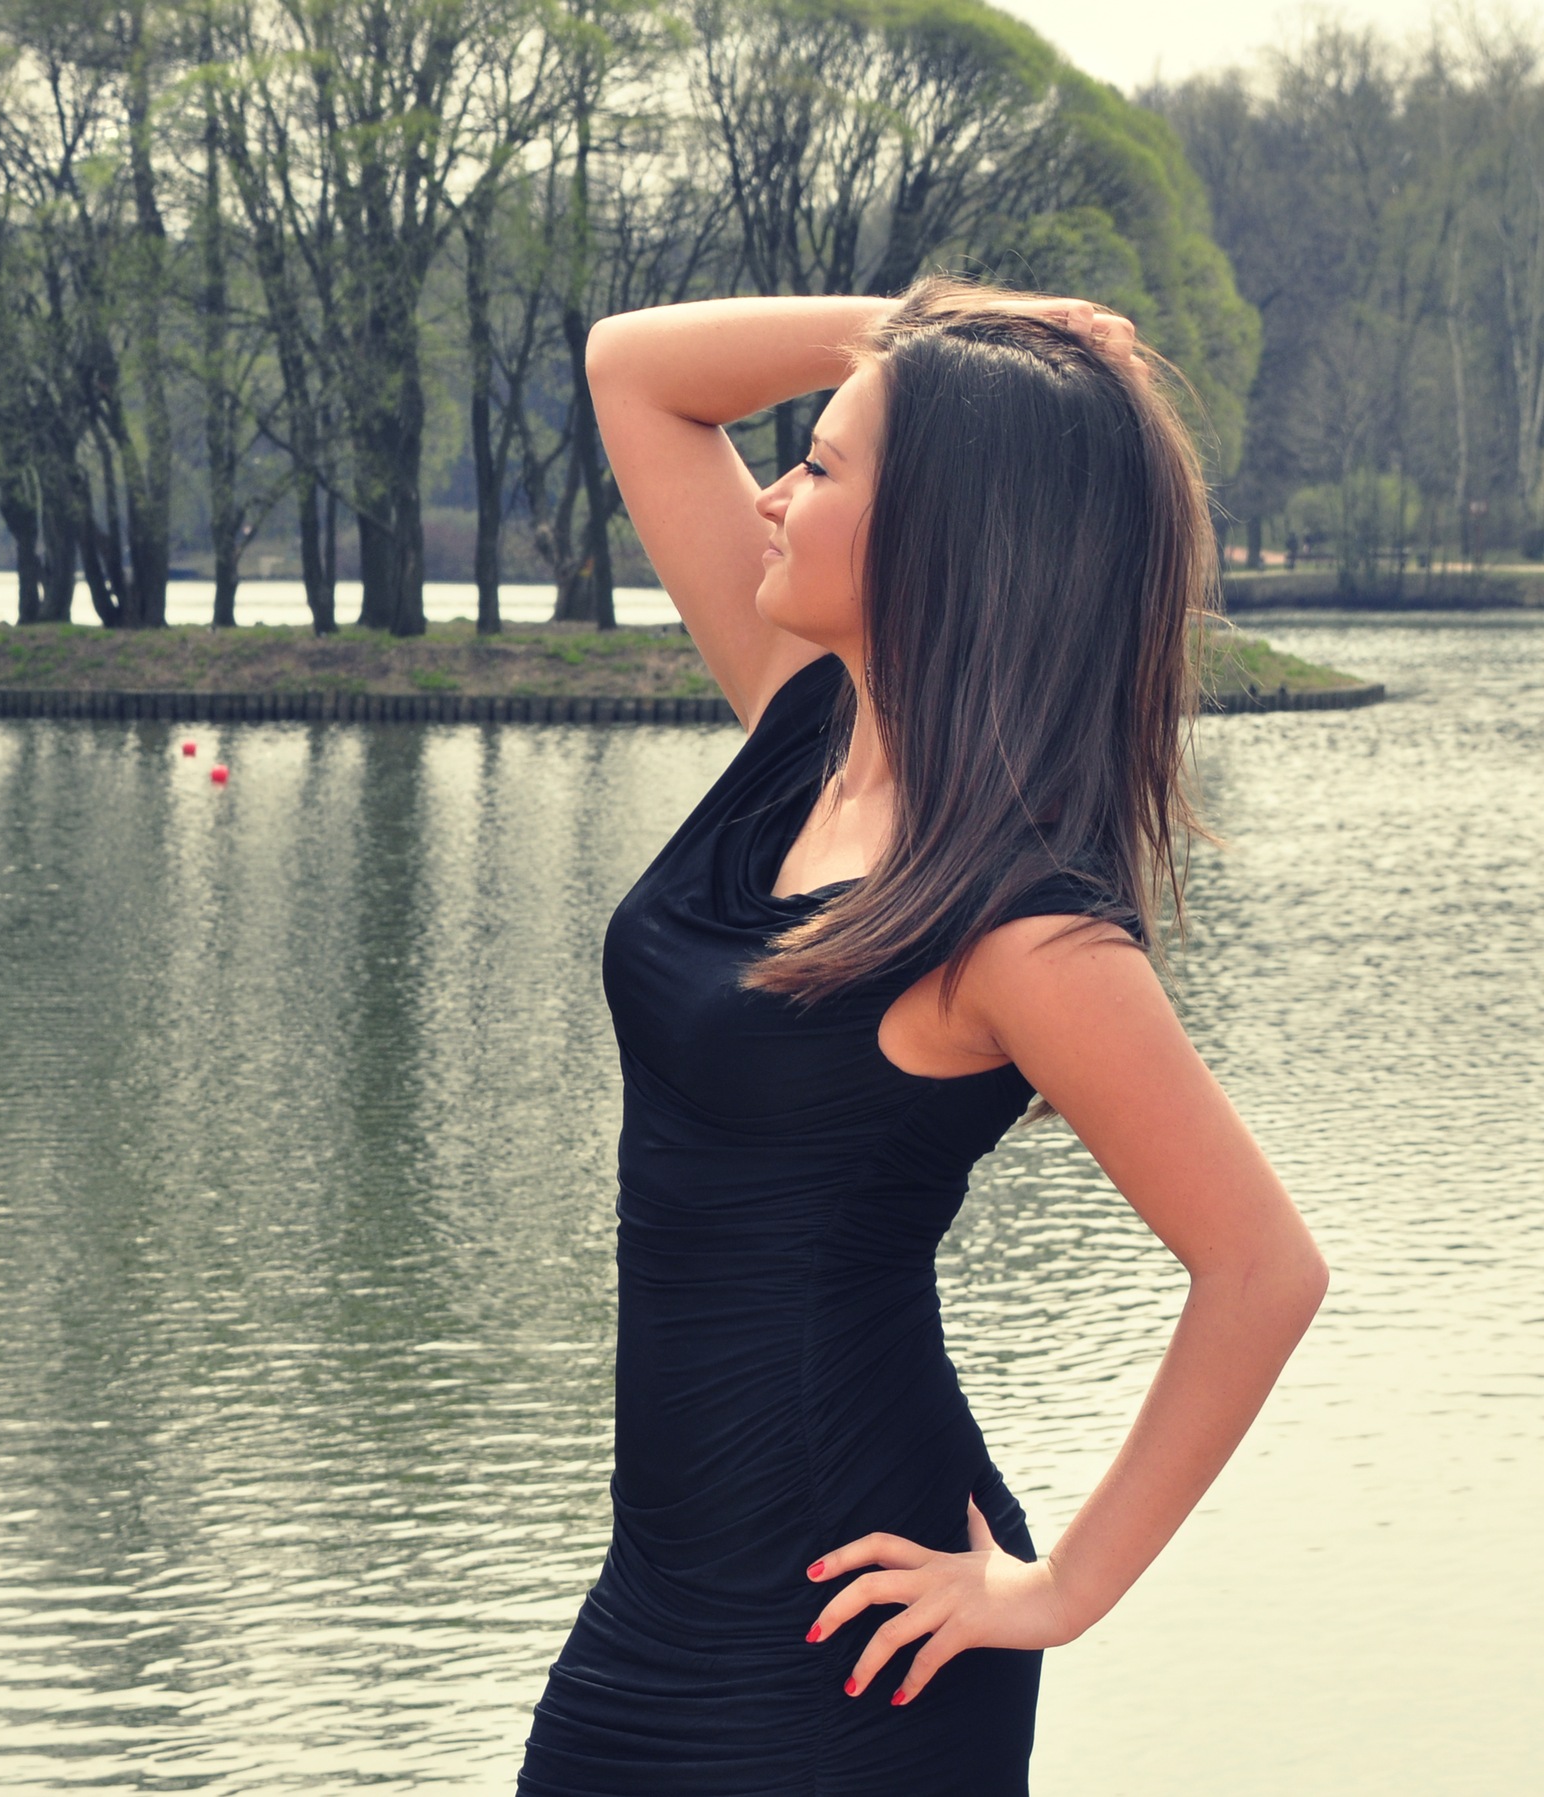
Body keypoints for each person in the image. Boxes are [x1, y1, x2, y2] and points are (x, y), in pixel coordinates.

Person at [517, 280, 1329, 1796]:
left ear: (939, 536)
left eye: (818, 465)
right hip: (653, 1608)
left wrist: (1060, 1591)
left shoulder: (1019, 924)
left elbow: (1263, 1269)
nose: (770, 495)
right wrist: (952, 322)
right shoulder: (803, 732)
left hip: (856, 1641)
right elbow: (633, 371)